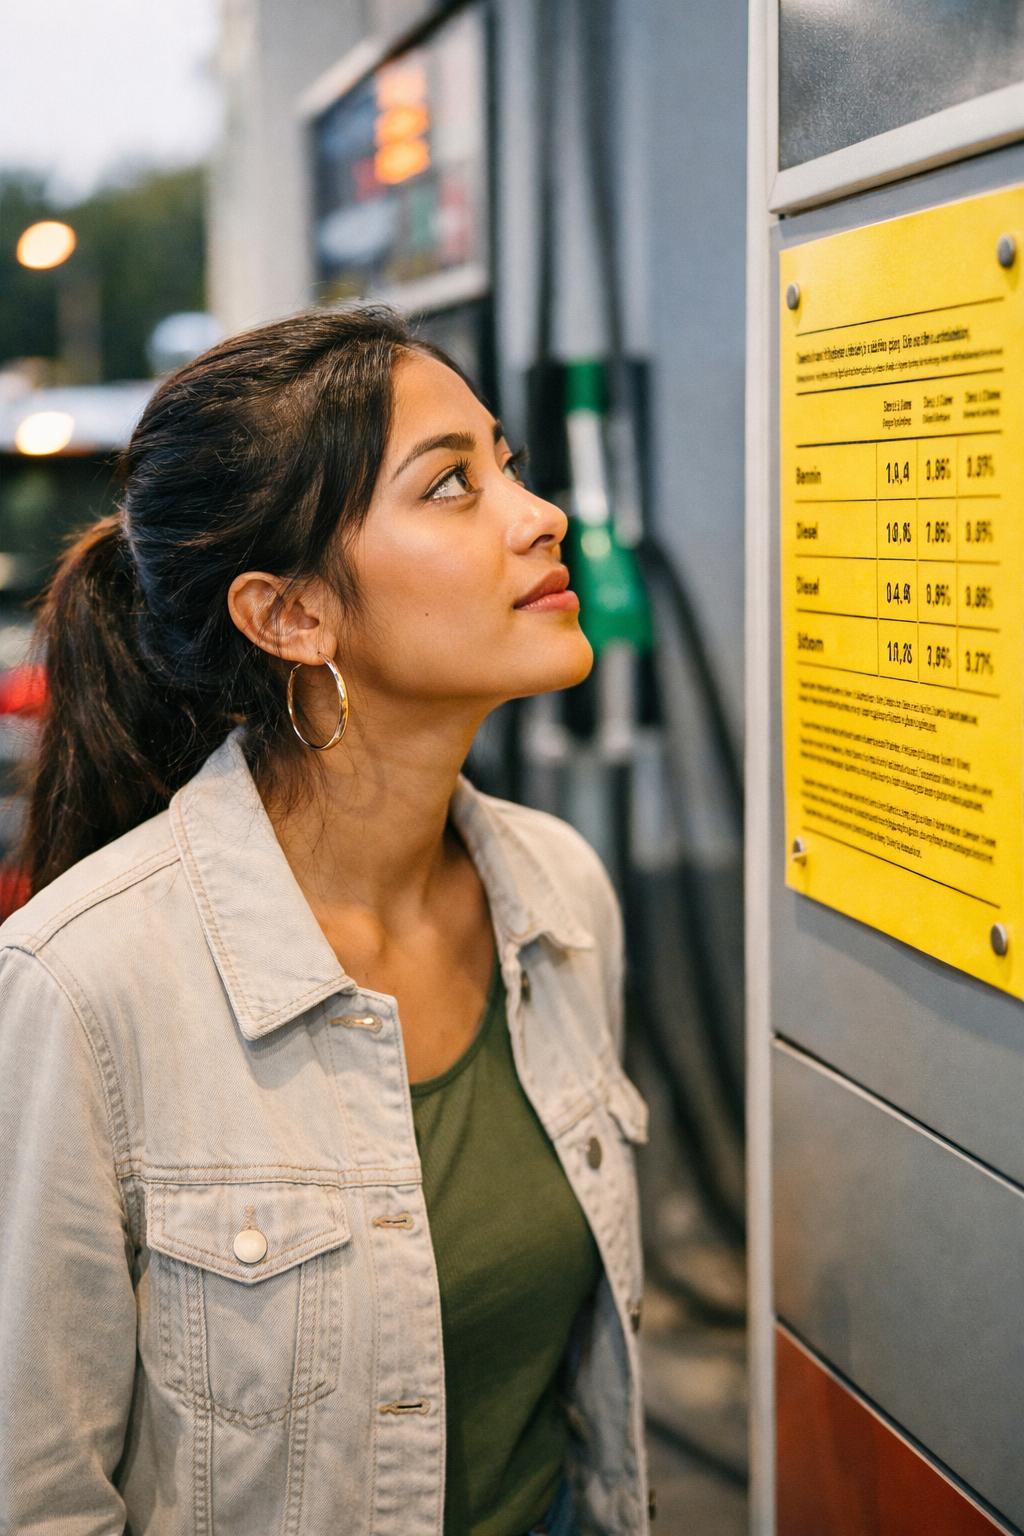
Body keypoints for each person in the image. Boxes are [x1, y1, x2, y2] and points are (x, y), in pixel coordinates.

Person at [0, 305, 652, 1534]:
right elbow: (37, 1498)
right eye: (450, 484)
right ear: (290, 617)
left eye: (505, 462)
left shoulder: (559, 894)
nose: (539, 515)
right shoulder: (82, 985)